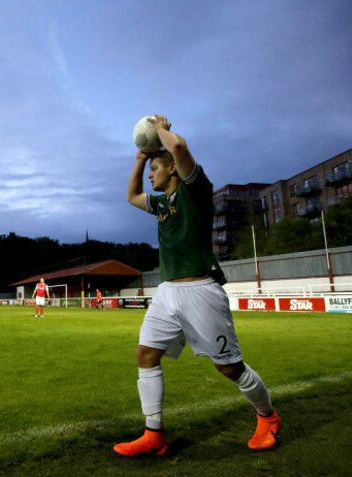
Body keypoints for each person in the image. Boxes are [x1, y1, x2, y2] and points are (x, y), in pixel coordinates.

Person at [114, 114, 281, 457]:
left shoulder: (196, 190)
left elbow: (178, 146)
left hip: (200, 289)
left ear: (172, 169)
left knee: (228, 366)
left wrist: (160, 129)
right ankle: (154, 434)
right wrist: (141, 157)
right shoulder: (161, 203)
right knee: (145, 354)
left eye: (155, 170)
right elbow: (131, 195)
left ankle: (268, 418)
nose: (150, 177)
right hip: (168, 291)